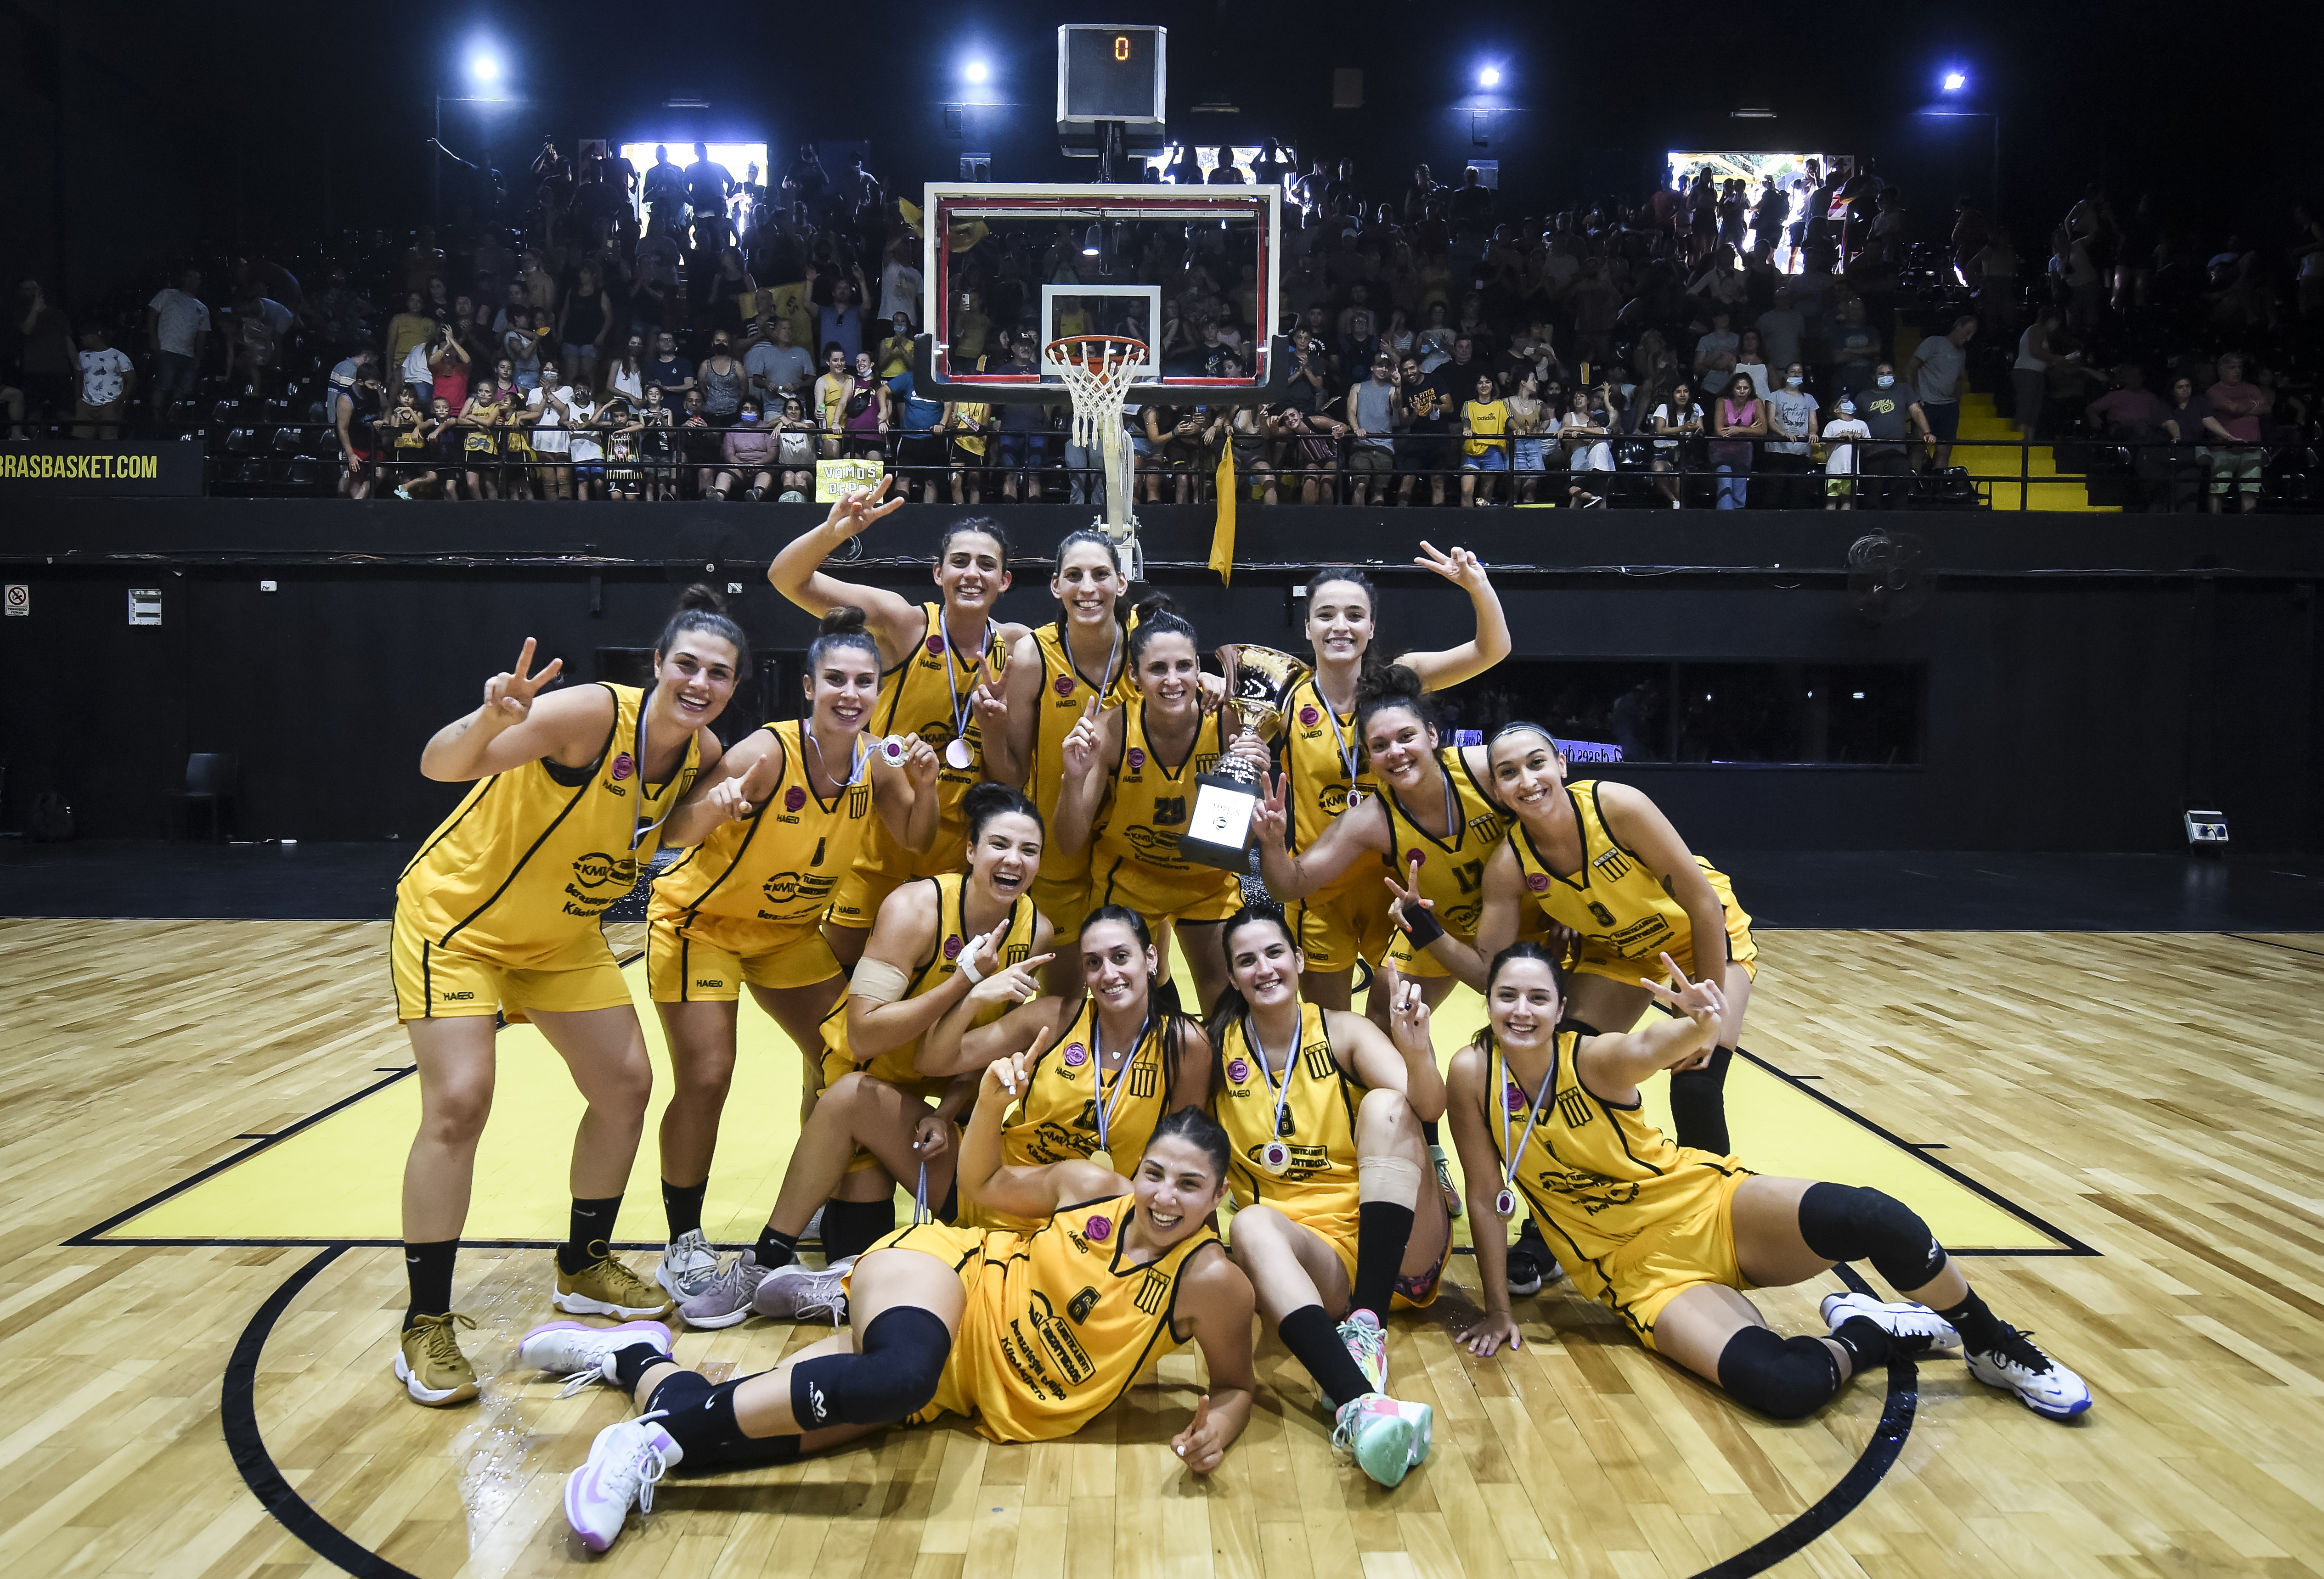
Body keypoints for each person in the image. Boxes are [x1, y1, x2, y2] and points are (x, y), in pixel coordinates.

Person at [535, 1103, 1260, 1552]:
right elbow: (982, 1186)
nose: (1164, 1196)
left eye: (1189, 1184)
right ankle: (642, 1440)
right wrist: (995, 1104)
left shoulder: (1213, 1281)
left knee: (714, 1443)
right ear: (1138, 1167)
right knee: (895, 1375)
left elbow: (1234, 1385)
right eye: (1156, 1172)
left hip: (953, 1387)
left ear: (1219, 1193)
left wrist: (1214, 1436)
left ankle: (632, 1360)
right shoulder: (1088, 1190)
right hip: (940, 1279)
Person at [1443, 944, 2091, 1423]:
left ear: (1561, 1008)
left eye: (1537, 998)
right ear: (1489, 1001)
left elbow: (1654, 1047)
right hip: (1641, 1274)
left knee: (1874, 1215)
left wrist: (1700, 1021)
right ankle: (1874, 1333)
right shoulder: (1472, 1072)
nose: (1521, 1010)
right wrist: (1498, 1308)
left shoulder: (1593, 1056)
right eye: (1508, 995)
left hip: (1707, 1205)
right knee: (1784, 1387)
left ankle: (1989, 1340)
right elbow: (1482, 1194)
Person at [389, 590, 745, 1406]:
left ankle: (584, 1263)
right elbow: (439, 764)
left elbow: (661, 829)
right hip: (458, 922)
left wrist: (709, 813)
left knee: (625, 1085)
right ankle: (426, 1321)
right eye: (686, 664)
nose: (700, 681)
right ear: (657, 664)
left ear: (731, 687)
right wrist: (489, 720)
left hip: (559, 936)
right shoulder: (590, 714)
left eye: (718, 674)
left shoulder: (701, 751)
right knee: (460, 1101)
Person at [644, 608, 941, 1296]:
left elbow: (918, 837)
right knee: (710, 1074)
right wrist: (714, 807)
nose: (850, 693)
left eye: (864, 682)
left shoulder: (878, 759)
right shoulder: (768, 751)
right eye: (835, 678)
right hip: (701, 924)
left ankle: (818, 1194)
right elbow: (673, 831)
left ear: (877, 691)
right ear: (808, 686)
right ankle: (683, 1240)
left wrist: (924, 789)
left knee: (851, 1052)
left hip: (787, 933)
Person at [681, 781, 1055, 1323]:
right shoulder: (914, 909)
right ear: (970, 850)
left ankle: (766, 1263)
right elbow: (864, 1034)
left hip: (923, 1103)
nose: (1013, 860)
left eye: (1029, 850)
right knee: (852, 1246)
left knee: (864, 1253)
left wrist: (947, 1112)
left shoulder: (1032, 929)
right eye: (999, 844)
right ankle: (786, 1258)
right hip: (868, 1073)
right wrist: (962, 984)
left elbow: (982, 1052)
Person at [1399, 722, 1759, 1159]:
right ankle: (1567, 1205)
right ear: (1496, 789)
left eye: (1537, 763)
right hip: (1616, 952)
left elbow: (1703, 905)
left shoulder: (1618, 807)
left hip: (1701, 937)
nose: (1528, 781)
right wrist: (1423, 925)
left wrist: (1706, 1013)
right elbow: (1488, 972)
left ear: (1561, 764)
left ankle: (1715, 1210)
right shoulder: (1509, 866)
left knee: (1696, 1084)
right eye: (1509, 773)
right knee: (1560, 1068)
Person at [1205, 905, 1445, 1487]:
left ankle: (1368, 1323)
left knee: (1389, 1105)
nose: (1263, 968)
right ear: (1232, 977)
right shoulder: (1213, 1048)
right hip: (1313, 1262)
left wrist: (1417, 1050)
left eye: (1274, 953)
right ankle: (1361, 1408)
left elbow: (1430, 1107)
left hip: (1395, 1243)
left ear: (1300, 959)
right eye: (1246, 960)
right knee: (1251, 1224)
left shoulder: (1342, 1030)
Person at [766, 486, 1022, 969]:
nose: (972, 574)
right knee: (840, 1010)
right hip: (878, 845)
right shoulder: (902, 623)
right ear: (938, 572)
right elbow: (785, 578)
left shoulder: (1017, 648)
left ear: (1004, 580)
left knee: (936, 1003)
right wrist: (831, 533)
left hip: (956, 860)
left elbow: (1011, 779)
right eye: (960, 561)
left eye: (986, 565)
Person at [1054, 607, 1266, 1014]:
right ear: (1135, 675)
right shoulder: (1110, 729)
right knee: (1124, 1007)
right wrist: (1074, 779)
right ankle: (1160, 997)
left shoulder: (1229, 722)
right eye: (1158, 668)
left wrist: (1253, 788)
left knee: (1229, 1007)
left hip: (1206, 881)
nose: (1173, 680)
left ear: (1199, 669)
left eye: (1185, 666)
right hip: (1131, 879)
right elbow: (1068, 843)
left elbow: (1248, 839)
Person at [980, 530, 1143, 986]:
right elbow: (1011, 771)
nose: (1087, 587)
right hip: (1061, 847)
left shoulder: (1147, 648)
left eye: (1099, 574)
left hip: (1133, 845)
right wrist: (992, 731)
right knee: (1067, 990)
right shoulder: (1034, 654)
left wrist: (1207, 687)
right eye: (1073, 576)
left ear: (1121, 582)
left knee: (1140, 983)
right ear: (1056, 586)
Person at [1904, 314, 1976, 472]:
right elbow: (1910, 369)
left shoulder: (1962, 353)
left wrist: (1957, 402)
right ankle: (1911, 487)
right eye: (1967, 332)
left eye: (1972, 335)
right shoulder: (1934, 343)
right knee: (1918, 447)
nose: (1969, 338)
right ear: (1958, 326)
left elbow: (1960, 379)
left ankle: (1938, 489)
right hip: (1927, 404)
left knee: (1945, 451)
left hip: (1948, 408)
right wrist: (1914, 400)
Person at [2202, 352, 2269, 513]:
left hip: (2252, 448)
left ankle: (2249, 527)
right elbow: (2233, 408)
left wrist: (2240, 408)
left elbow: (2267, 408)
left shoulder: (2252, 388)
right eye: (2232, 367)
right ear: (2221, 370)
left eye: (2239, 367)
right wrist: (2253, 405)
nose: (2237, 371)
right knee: (2218, 490)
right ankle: (2214, 526)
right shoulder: (2213, 391)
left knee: (2250, 491)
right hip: (2225, 448)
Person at [146, 267, 211, 420]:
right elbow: (152, 315)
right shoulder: (168, 294)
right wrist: (153, 338)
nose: (193, 280)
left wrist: (198, 356)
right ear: (183, 278)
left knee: (183, 390)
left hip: (188, 354)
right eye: (190, 276)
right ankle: (155, 420)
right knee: (163, 385)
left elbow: (202, 335)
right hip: (166, 348)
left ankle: (173, 420)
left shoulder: (203, 308)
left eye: (197, 278)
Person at [1708, 376, 1766, 510]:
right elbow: (1720, 431)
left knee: (1740, 487)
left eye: (1745, 388)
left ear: (1751, 389)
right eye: (1738, 388)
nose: (1742, 392)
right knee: (1725, 482)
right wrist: (1750, 430)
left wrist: (1738, 429)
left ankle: (1738, 521)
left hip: (1743, 452)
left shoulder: (1756, 403)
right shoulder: (1722, 401)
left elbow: (1763, 430)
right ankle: (1726, 521)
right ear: (1732, 389)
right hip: (1721, 451)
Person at [73, 322, 135, 441]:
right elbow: (79, 379)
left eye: (85, 335)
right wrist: (78, 401)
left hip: (110, 404)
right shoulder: (82, 356)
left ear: (97, 336)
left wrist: (119, 401)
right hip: (86, 405)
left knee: (109, 443)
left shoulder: (118, 356)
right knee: (81, 445)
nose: (82, 337)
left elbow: (132, 381)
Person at [1458, 370, 1510, 506]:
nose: (1484, 385)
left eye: (1487, 382)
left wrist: (1518, 429)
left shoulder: (1501, 404)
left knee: (1486, 493)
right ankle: (1466, 522)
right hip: (1472, 452)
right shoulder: (1469, 404)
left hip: (1493, 452)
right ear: (1476, 386)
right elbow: (1467, 419)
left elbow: (1509, 420)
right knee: (1467, 490)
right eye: (1480, 383)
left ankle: (1482, 524)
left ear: (1493, 385)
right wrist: (1466, 430)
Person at [1649, 379, 1704, 508]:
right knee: (1658, 470)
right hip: (1664, 452)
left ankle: (1680, 509)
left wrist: (1695, 433)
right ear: (1672, 395)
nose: (1683, 395)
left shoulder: (1695, 408)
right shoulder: (1664, 408)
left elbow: (1701, 429)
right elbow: (1661, 430)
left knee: (1679, 480)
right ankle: (1674, 501)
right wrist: (1683, 428)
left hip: (1685, 452)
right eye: (1679, 392)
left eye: (1686, 391)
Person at [1822, 395, 1869, 510]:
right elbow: (1823, 447)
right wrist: (1838, 437)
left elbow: (1868, 445)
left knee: (1848, 500)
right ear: (1836, 410)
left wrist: (1861, 438)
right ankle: (1827, 524)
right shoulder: (1832, 425)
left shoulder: (1861, 424)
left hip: (1852, 469)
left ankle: (1844, 525)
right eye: (1843, 403)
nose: (1848, 403)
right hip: (1834, 470)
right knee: (1832, 500)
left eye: (1849, 402)